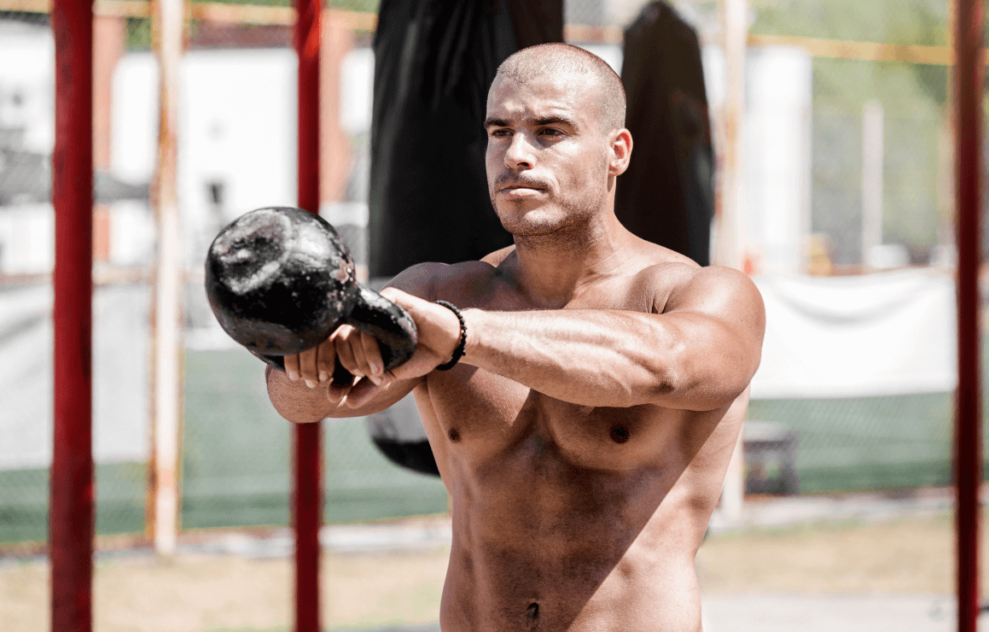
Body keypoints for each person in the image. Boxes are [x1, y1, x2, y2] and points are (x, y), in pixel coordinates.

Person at [267, 42, 765, 632]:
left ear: (617, 151)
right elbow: (293, 400)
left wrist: (464, 336)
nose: (517, 154)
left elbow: (666, 364)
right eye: (499, 131)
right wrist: (314, 357)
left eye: (549, 131)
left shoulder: (701, 296)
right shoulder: (437, 292)